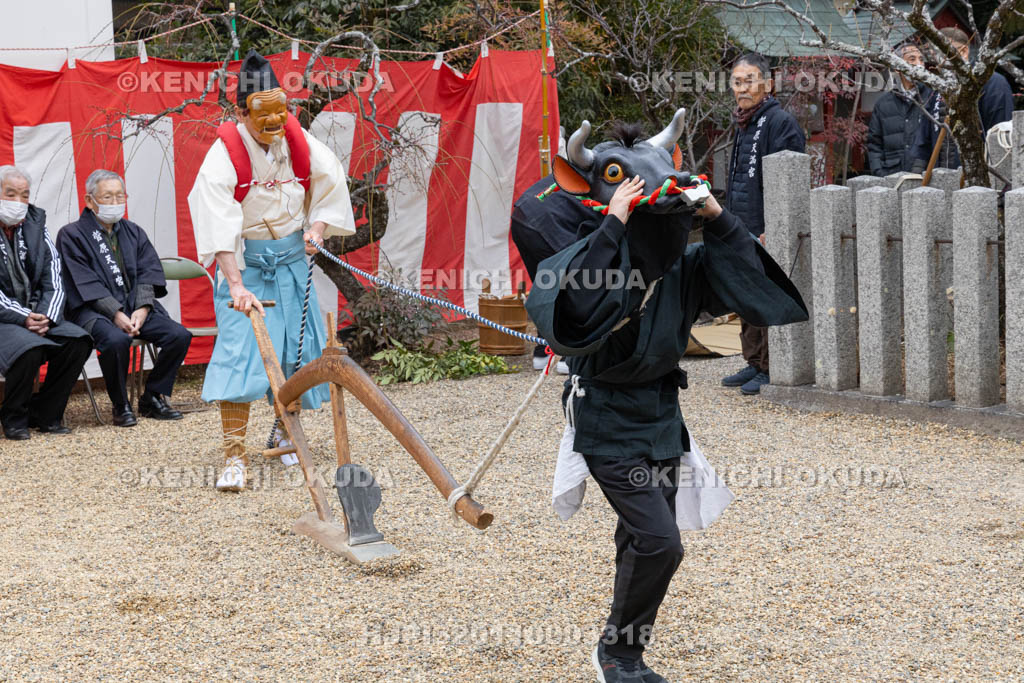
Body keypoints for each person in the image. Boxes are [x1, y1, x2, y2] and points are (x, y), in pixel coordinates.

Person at [523, 115, 808, 681]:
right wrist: (613, 227)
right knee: (661, 544)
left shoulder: (683, 264)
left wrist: (719, 219)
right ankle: (618, 654)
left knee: (639, 539)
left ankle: (624, 656)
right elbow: (574, 313)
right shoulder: (585, 254)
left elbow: (759, 294)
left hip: (660, 415)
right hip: (604, 416)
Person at [188, 50, 355, 492]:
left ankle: (285, 434)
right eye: (262, 113)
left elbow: (331, 181)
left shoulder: (296, 141)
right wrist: (237, 284)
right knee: (241, 356)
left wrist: (316, 228)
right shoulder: (224, 154)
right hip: (246, 264)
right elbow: (217, 220)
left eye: (281, 112)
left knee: (293, 355)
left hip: (292, 261)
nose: (274, 123)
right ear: (241, 111)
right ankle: (234, 456)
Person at [57, 170, 192, 427]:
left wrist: (142, 308)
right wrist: (115, 313)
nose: (115, 202)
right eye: (107, 196)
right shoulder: (72, 235)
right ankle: (121, 405)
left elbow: (148, 271)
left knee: (179, 335)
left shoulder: (133, 232)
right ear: (89, 200)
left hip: (134, 307)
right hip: (91, 310)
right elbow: (84, 282)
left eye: (120, 196)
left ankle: (152, 397)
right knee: (116, 340)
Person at [721, 52, 806, 395]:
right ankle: (754, 361)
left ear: (767, 85)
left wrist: (776, 223)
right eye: (737, 82)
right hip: (740, 223)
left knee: (766, 294)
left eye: (749, 81)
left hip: (765, 225)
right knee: (745, 295)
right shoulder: (743, 121)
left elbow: (789, 180)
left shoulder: (780, 122)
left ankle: (771, 366)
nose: (742, 89)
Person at [0, 165, 91, 439]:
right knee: (29, 348)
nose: (18, 202)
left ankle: (45, 413)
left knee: (78, 340)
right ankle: (13, 415)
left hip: (37, 315)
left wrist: (46, 316)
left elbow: (54, 274)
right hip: (5, 319)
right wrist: (24, 317)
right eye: (10, 194)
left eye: (24, 195)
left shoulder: (36, 223)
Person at [910, 27, 1014, 172]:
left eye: (942, 53)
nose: (937, 59)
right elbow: (924, 138)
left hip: (980, 172)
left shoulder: (992, 83)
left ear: (964, 51)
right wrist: (917, 171)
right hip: (939, 174)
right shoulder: (937, 86)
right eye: (934, 54)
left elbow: (1000, 134)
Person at [866, 44, 932, 177]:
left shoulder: (933, 98)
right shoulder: (883, 104)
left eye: (921, 59)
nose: (918, 64)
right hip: (892, 175)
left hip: (926, 175)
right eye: (912, 59)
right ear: (897, 67)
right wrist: (879, 171)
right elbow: (874, 144)